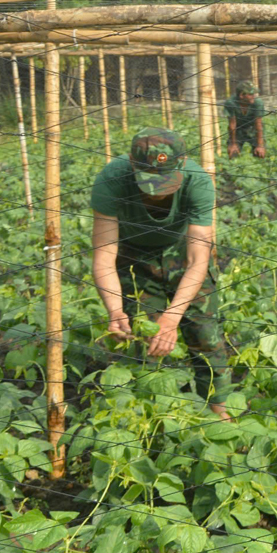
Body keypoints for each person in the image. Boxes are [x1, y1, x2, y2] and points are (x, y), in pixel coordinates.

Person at [90, 127, 232, 419]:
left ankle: (219, 414)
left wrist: (173, 316)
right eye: (148, 181)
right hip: (135, 257)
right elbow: (104, 255)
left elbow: (198, 259)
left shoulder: (197, 181)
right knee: (145, 337)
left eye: (165, 181)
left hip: (183, 251)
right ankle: (155, 417)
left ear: (182, 163)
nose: (156, 193)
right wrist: (115, 310)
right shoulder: (111, 179)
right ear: (132, 164)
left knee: (205, 335)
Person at [224, 81, 266, 158]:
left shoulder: (258, 103)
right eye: (250, 94)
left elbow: (258, 124)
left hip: (253, 128)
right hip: (238, 129)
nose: (253, 96)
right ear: (241, 95)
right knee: (233, 153)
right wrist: (233, 144)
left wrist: (260, 145)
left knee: (260, 154)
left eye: (254, 94)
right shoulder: (231, 103)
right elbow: (232, 124)